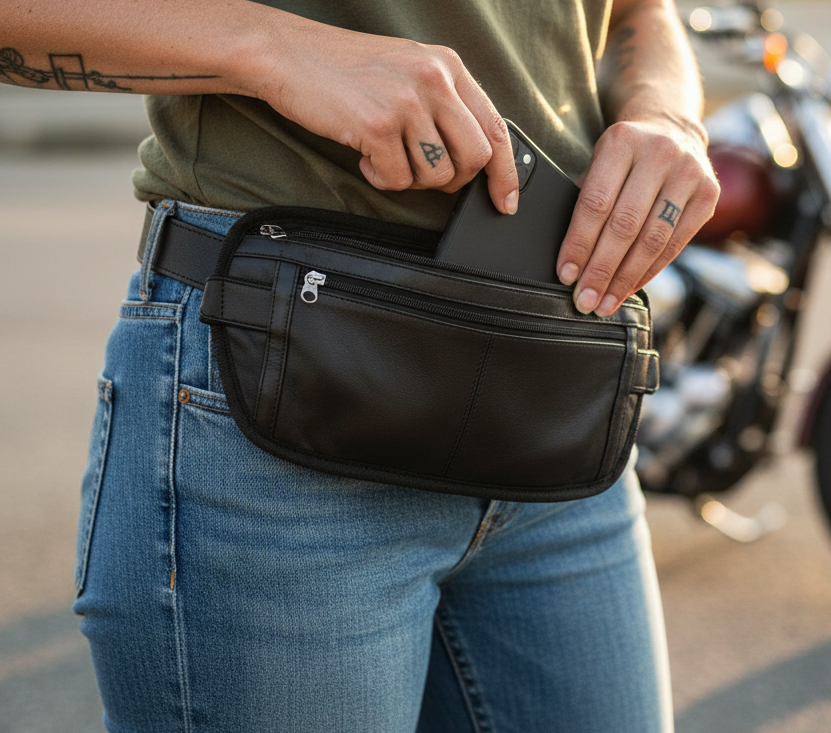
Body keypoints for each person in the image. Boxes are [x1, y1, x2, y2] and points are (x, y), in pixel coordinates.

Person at [4, 0, 718, 730]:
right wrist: (275, 47)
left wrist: (669, 118)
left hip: (558, 394)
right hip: (279, 391)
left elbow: (637, 11)